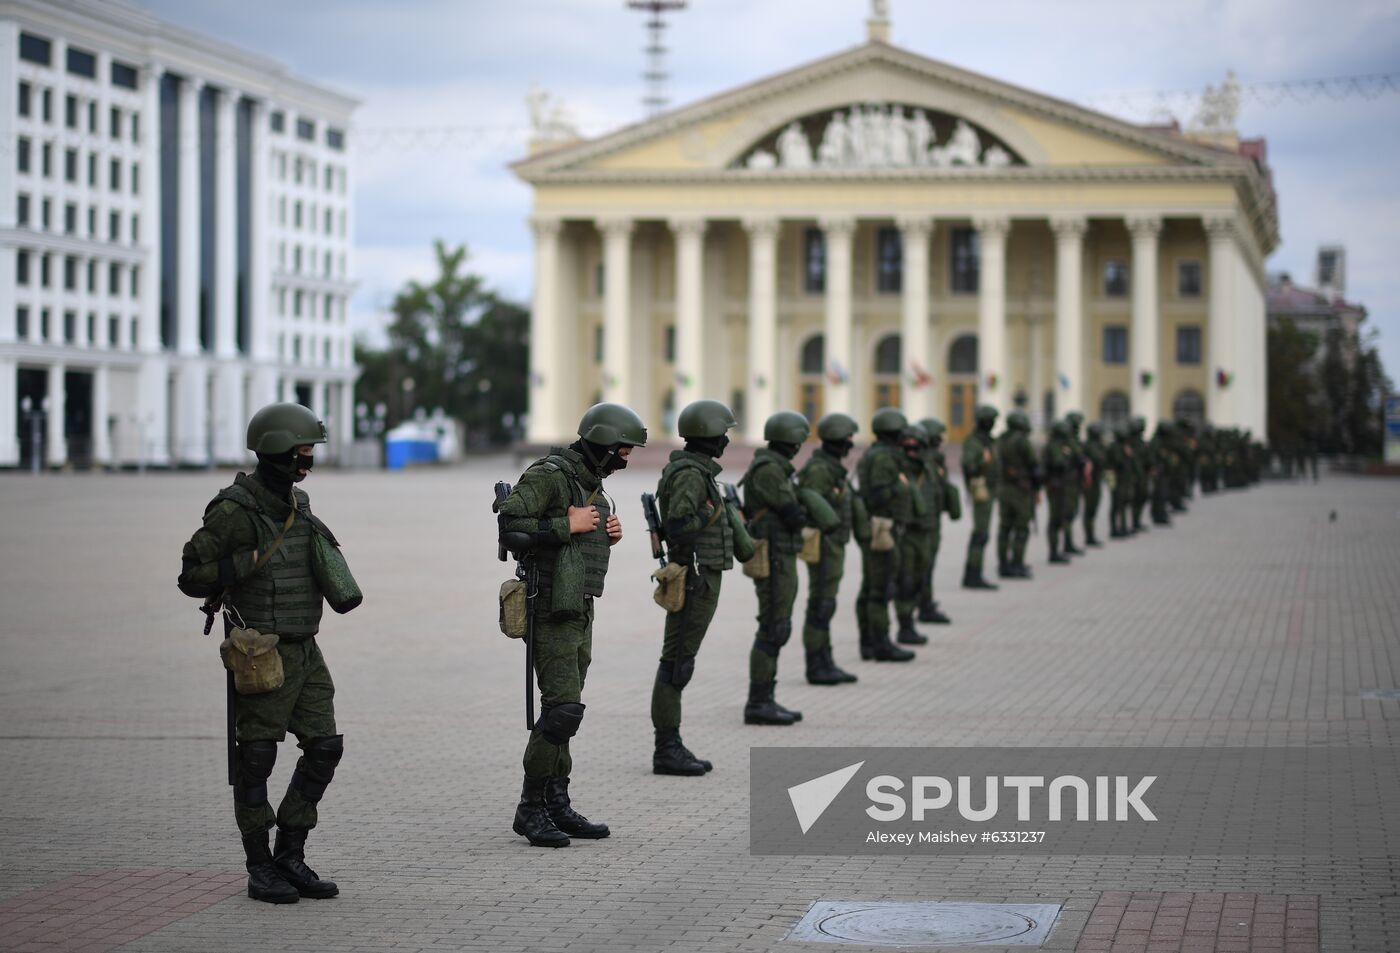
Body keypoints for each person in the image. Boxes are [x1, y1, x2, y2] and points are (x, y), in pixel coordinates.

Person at [177, 402, 350, 903]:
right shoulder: (234, 510)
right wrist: (242, 563)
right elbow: (190, 574)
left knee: (325, 747)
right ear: (273, 451)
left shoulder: (301, 505)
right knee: (256, 759)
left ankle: (289, 854)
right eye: (300, 452)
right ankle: (259, 866)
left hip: (306, 650)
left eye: (310, 453)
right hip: (261, 656)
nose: (307, 463)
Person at [496, 402, 647, 846]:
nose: (626, 459)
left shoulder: (590, 483)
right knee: (562, 709)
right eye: (622, 450)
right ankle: (530, 809)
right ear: (600, 444)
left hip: (578, 606)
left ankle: (557, 802)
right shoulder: (549, 474)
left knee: (567, 709)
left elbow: (578, 541)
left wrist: (605, 532)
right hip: (551, 607)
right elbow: (513, 527)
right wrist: (569, 524)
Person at [652, 400, 739, 774]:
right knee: (676, 663)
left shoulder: (698, 471)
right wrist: (708, 512)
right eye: (723, 434)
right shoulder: (690, 474)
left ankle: (670, 745)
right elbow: (679, 526)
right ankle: (666, 749)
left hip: (703, 578)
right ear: (710, 435)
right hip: (693, 579)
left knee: (680, 661)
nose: (726, 441)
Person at [740, 410, 821, 724]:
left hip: (782, 555)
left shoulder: (776, 468)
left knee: (777, 625)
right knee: (774, 627)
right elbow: (792, 514)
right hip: (773, 557)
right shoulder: (770, 470)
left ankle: (766, 697)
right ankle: (759, 702)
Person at [797, 412, 862, 685]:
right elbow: (812, 507)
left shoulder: (831, 467)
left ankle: (826, 659)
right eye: (848, 438)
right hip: (823, 545)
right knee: (821, 604)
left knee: (827, 602)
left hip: (834, 545)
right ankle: (816, 663)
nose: (851, 443)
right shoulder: (819, 470)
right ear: (836, 439)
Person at [855, 408, 917, 661]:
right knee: (880, 588)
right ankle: (880, 643)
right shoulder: (883, 458)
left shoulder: (878, 454)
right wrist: (898, 486)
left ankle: (870, 642)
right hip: (883, 529)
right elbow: (878, 495)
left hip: (882, 527)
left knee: (873, 585)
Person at [894, 424, 939, 641]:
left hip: (925, 531)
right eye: (907, 444)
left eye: (916, 445)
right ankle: (904, 624)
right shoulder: (898, 468)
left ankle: (913, 617)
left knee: (920, 578)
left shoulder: (927, 467)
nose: (911, 449)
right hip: (906, 532)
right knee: (905, 580)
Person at [916, 417, 960, 625]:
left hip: (932, 520)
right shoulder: (924, 460)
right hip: (925, 523)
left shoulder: (933, 460)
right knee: (923, 564)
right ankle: (923, 604)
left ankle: (926, 601)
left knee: (928, 564)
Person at [961, 405, 1001, 590]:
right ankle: (973, 574)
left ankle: (974, 573)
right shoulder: (975, 442)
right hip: (981, 489)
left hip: (989, 488)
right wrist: (982, 462)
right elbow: (969, 466)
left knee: (982, 533)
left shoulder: (986, 441)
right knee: (980, 533)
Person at [995, 410, 1038, 578]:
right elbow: (1033, 463)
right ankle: (1017, 564)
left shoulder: (1001, 440)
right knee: (1021, 528)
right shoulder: (1021, 441)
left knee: (1004, 527)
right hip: (1020, 489)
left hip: (1003, 488)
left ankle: (1003, 564)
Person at [1042, 419, 1075, 563]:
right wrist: (1067, 454)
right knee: (1055, 519)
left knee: (1059, 518)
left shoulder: (1057, 444)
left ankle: (1057, 550)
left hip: (1059, 485)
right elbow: (1058, 463)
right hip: (1056, 485)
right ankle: (1053, 553)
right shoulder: (1055, 446)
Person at [1062, 411, 1087, 556]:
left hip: (1074, 481)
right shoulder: (1068, 440)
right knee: (1068, 513)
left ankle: (1068, 542)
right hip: (1068, 482)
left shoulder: (1074, 440)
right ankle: (1067, 543)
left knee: (1072, 512)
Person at [1081, 422, 1108, 547]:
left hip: (1096, 480)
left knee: (1093, 509)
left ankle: (1091, 536)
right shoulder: (1090, 446)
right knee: (1090, 509)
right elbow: (1098, 459)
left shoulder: (1097, 445)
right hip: (1090, 481)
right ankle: (1089, 536)